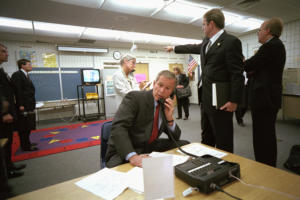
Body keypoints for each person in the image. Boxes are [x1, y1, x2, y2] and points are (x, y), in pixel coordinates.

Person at [165, 8, 244, 153]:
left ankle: (225, 170)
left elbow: (237, 74)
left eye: (203, 24)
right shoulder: (207, 42)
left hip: (221, 100)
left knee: (223, 138)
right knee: (206, 136)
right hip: (206, 98)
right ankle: (207, 166)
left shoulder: (231, 42)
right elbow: (193, 47)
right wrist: (175, 48)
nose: (202, 27)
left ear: (211, 24)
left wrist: (234, 100)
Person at [105, 70, 190, 168]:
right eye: (160, 85)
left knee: (185, 145)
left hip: (148, 146)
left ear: (172, 92)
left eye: (167, 88)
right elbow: (118, 128)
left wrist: (169, 118)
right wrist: (132, 156)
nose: (162, 91)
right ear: (154, 83)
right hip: (128, 148)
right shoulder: (134, 98)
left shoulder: (164, 105)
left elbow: (175, 138)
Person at [244, 18, 286, 167]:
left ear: (268, 31)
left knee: (263, 136)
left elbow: (249, 65)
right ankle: (266, 165)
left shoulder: (270, 46)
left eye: (260, 30)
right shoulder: (276, 46)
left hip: (264, 100)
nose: (258, 33)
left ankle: (265, 166)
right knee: (266, 135)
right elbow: (256, 68)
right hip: (267, 99)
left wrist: (242, 62)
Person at [0, 43, 26, 178]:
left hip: (9, 113)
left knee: (8, 142)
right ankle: (6, 172)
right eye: (4, 51)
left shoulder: (2, 71)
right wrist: (3, 112)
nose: (7, 54)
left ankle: (9, 166)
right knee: (3, 144)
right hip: (3, 116)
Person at [11, 59, 38, 151]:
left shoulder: (26, 75)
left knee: (28, 126)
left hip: (29, 104)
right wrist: (20, 105)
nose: (31, 66)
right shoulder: (17, 75)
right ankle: (25, 146)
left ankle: (27, 143)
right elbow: (17, 91)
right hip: (23, 106)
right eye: (29, 64)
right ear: (22, 65)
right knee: (23, 127)